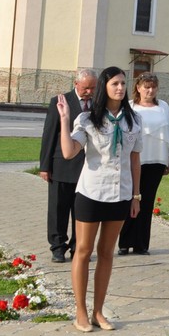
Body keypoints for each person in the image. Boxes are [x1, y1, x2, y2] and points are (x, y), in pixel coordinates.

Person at [55, 66, 142, 332]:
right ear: (104, 87)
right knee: (83, 251)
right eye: (115, 83)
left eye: (123, 83)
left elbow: (135, 159)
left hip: (120, 194)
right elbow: (69, 152)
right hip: (92, 193)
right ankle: (80, 312)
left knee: (106, 253)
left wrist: (136, 196)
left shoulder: (134, 120)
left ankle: (98, 312)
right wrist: (65, 119)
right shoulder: (88, 119)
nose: (120, 88)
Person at [38, 69, 95, 263]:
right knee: (58, 209)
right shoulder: (60, 101)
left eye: (93, 88)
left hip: (88, 168)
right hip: (62, 165)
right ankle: (57, 247)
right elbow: (49, 134)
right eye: (86, 87)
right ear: (76, 84)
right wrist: (45, 166)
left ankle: (78, 247)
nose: (89, 92)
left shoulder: (98, 104)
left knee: (82, 211)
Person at [118, 73, 169, 256]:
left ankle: (141, 244)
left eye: (153, 87)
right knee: (130, 199)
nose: (150, 91)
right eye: (146, 87)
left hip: (157, 159)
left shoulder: (163, 106)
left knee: (147, 201)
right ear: (138, 87)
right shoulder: (130, 106)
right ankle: (125, 242)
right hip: (135, 159)